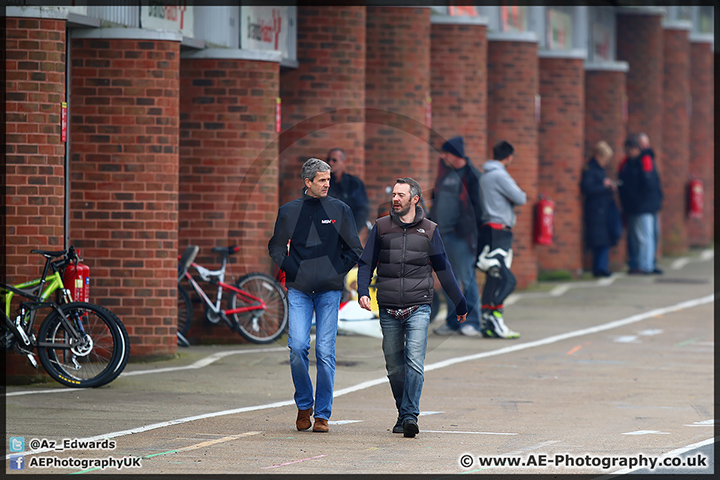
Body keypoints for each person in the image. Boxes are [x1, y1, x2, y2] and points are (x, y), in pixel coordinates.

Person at [357, 177, 467, 438]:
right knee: (395, 367)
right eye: (394, 194)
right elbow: (366, 263)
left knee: (414, 362)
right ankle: (403, 411)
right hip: (388, 307)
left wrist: (459, 302)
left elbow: (444, 269)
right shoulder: (381, 227)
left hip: (419, 306)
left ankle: (409, 416)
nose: (395, 199)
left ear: (414, 199)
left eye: (401, 195)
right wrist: (363, 292)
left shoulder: (429, 230)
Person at [268, 158, 363, 433]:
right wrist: (290, 267)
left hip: (329, 291)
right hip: (298, 289)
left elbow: (354, 249)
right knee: (297, 347)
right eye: (322, 180)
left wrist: (335, 272)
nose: (327, 184)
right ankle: (304, 405)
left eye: (328, 180)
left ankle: (322, 414)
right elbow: (275, 247)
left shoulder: (340, 210)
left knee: (324, 351)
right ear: (307, 182)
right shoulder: (288, 211)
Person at [429, 136, 485, 337]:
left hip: (460, 238)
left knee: (466, 278)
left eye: (446, 153)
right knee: (446, 280)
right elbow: (437, 202)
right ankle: (453, 321)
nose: (443, 157)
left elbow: (478, 209)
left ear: (456, 154)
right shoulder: (445, 175)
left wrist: (464, 229)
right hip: (440, 236)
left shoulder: (471, 176)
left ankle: (472, 321)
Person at [476, 140, 526, 339]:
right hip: (500, 230)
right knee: (507, 279)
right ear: (509, 157)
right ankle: (496, 317)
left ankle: (487, 321)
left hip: (487, 228)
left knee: (492, 277)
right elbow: (520, 197)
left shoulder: (484, 176)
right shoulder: (500, 175)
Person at [617, 135, 664, 275]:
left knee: (644, 237)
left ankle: (645, 265)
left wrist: (635, 199)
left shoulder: (643, 161)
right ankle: (641, 264)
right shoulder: (629, 162)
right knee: (638, 237)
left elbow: (648, 184)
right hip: (638, 205)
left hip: (644, 205)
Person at [580, 141, 622, 277]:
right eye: (605, 158)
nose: (606, 162)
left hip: (603, 210)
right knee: (600, 241)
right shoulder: (591, 170)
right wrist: (605, 186)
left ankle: (602, 267)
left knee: (604, 240)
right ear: (598, 156)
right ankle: (599, 268)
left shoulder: (599, 170)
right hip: (596, 210)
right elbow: (588, 188)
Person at [326, 148, 371, 235]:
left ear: (343, 162)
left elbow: (362, 210)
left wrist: (353, 232)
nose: (330, 163)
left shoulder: (354, 184)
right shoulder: (322, 182)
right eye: (328, 160)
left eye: (334, 160)